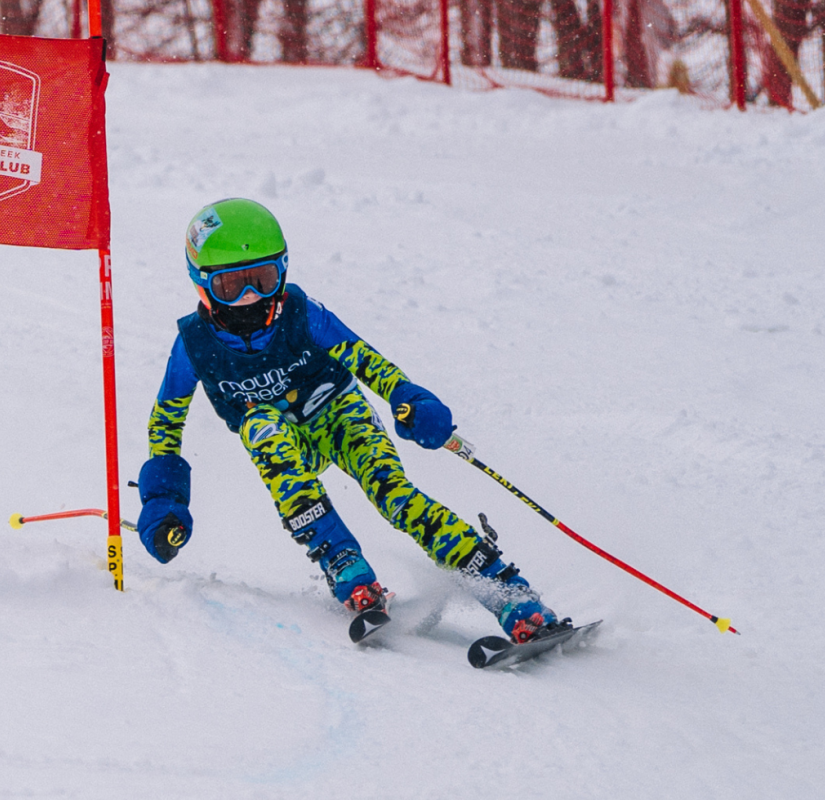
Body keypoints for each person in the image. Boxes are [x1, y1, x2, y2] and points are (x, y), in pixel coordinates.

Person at [135, 198, 566, 643]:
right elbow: (165, 423)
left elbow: (368, 362)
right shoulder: (194, 344)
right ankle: (344, 564)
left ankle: (509, 593)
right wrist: (163, 500)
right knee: (261, 425)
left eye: (263, 280)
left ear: (282, 271)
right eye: (231, 286)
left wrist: (409, 400)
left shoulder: (303, 315)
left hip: (339, 413)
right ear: (202, 285)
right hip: (283, 441)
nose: (250, 299)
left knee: (394, 496)